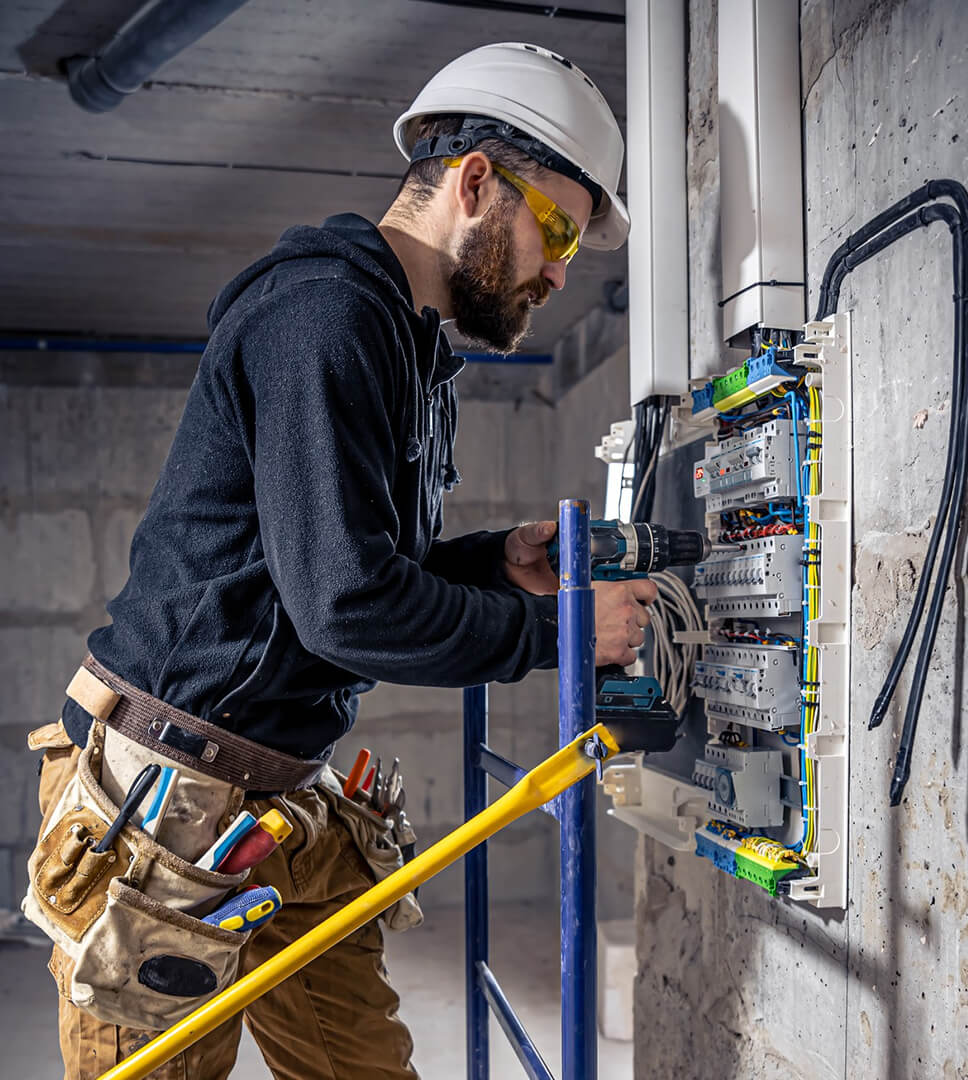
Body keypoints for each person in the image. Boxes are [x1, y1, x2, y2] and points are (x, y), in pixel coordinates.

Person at [29, 42, 656, 1079]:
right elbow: (346, 605)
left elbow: (358, 566)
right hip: (166, 816)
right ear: (473, 183)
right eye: (556, 232)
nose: (557, 271)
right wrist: (562, 634)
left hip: (277, 801)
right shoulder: (322, 312)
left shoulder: (411, 348)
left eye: (575, 253)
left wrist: (495, 563)